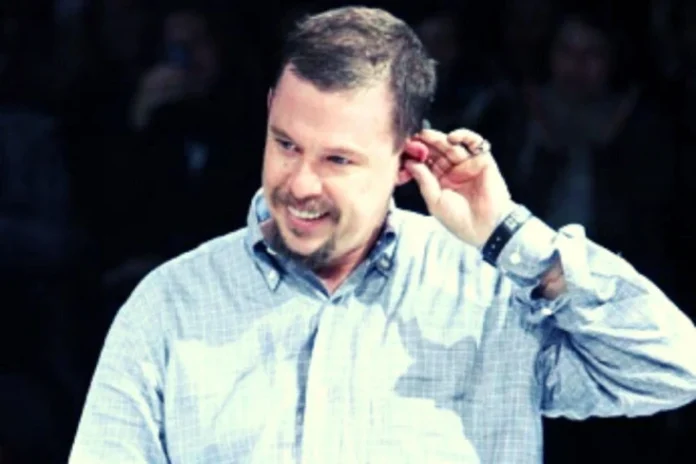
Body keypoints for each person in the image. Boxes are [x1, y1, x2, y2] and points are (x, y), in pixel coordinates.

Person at [69, 7, 696, 463]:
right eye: (286, 144)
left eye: (337, 160)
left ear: (406, 159)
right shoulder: (171, 304)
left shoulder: (491, 297)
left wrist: (512, 238)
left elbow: (674, 368)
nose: (301, 183)